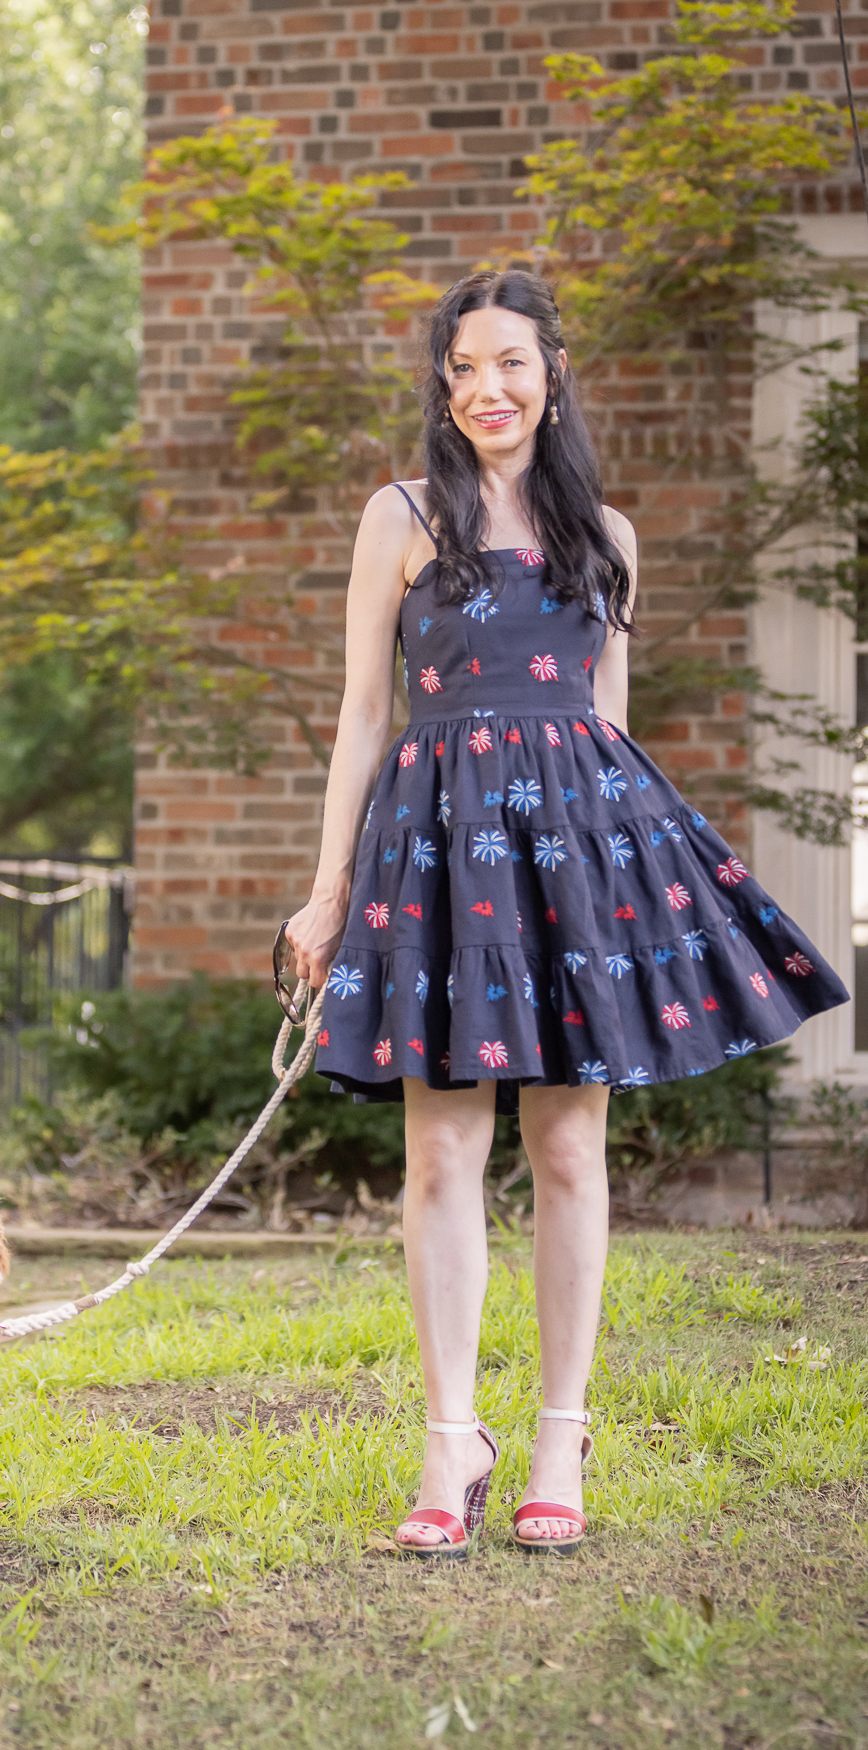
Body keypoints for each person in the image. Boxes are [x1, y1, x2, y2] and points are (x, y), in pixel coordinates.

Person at [283, 268, 848, 1557]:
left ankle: (556, 1437)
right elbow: (364, 715)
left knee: (570, 1150)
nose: (488, 389)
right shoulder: (401, 518)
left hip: (575, 863)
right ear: (444, 384)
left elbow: (610, 730)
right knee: (438, 1154)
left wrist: (625, 892)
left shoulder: (610, 537)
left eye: (512, 365)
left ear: (551, 376)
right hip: (434, 849)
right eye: (465, 367)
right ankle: (447, 1441)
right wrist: (329, 895)